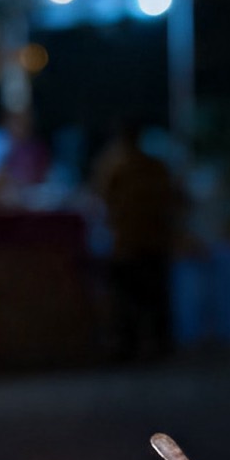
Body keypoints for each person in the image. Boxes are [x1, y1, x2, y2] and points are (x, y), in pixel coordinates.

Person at [91, 122, 177, 359]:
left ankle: (134, 345)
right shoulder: (150, 167)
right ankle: (147, 344)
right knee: (147, 298)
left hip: (131, 243)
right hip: (146, 241)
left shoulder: (115, 166)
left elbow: (101, 199)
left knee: (132, 299)